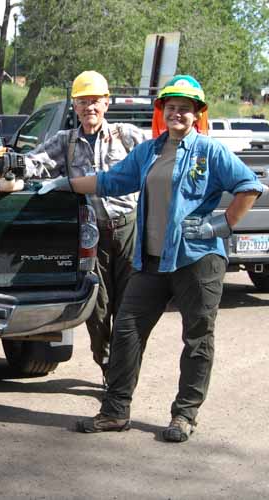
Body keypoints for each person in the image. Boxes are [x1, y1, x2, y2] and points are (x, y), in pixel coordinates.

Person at [38, 75, 265, 442]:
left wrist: (220, 225)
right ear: (163, 112)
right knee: (127, 330)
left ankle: (185, 415)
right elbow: (112, 181)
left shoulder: (209, 152)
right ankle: (115, 412)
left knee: (197, 337)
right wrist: (66, 183)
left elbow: (249, 186)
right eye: (171, 107)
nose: (177, 113)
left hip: (198, 260)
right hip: (152, 261)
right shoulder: (150, 151)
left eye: (184, 108)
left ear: (196, 114)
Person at [0, 70, 146, 381]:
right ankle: (109, 367)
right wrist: (3, 158)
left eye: (95, 101)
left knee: (131, 309)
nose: (89, 108)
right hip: (92, 235)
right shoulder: (65, 142)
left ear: (107, 104)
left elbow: (159, 161)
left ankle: (124, 375)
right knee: (97, 310)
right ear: (75, 107)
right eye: (83, 102)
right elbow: (33, 164)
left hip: (128, 230)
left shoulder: (128, 136)